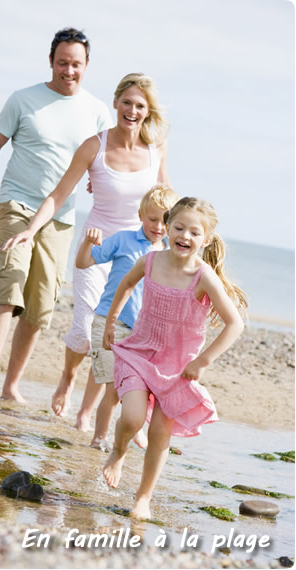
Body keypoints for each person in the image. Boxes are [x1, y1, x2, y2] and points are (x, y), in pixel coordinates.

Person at [2, 72, 171, 426]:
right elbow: (59, 194)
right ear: (116, 103)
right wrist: (31, 229)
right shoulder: (94, 146)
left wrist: (183, 248)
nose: (132, 110)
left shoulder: (156, 152)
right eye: (127, 102)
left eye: (140, 105)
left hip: (136, 257)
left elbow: (167, 204)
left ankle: (86, 412)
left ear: (147, 111)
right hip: (95, 249)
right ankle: (68, 376)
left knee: (111, 337)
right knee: (83, 331)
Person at [0, 28, 113, 407]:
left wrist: (99, 184)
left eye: (76, 64)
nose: (68, 70)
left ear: (87, 66)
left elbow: (103, 162)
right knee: (10, 284)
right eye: (62, 62)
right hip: (17, 203)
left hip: (60, 218)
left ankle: (11, 385)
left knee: (41, 304)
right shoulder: (24, 99)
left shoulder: (98, 112)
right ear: (51, 61)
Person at [101, 196, 248, 520]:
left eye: (195, 232)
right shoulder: (151, 261)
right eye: (179, 227)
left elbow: (234, 323)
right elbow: (125, 284)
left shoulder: (203, 276)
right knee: (132, 418)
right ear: (166, 227)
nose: (185, 236)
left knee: (159, 434)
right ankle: (118, 450)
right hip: (140, 351)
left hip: (176, 369)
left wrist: (202, 362)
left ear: (206, 239)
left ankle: (143, 498)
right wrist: (111, 323)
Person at [75, 185, 178, 450]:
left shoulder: (168, 253)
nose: (158, 226)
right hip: (110, 323)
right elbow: (83, 262)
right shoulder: (122, 240)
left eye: (164, 221)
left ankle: (133, 428)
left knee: (137, 389)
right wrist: (88, 242)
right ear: (141, 214)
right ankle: (99, 438)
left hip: (143, 332)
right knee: (112, 387)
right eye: (152, 218)